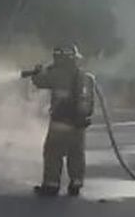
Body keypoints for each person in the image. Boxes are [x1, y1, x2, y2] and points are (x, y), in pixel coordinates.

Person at [24, 45, 95, 197]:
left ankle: (51, 184)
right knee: (76, 153)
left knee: (52, 153)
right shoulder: (84, 76)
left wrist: (37, 72)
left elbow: (39, 81)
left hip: (60, 123)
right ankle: (76, 182)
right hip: (79, 124)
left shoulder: (56, 74)